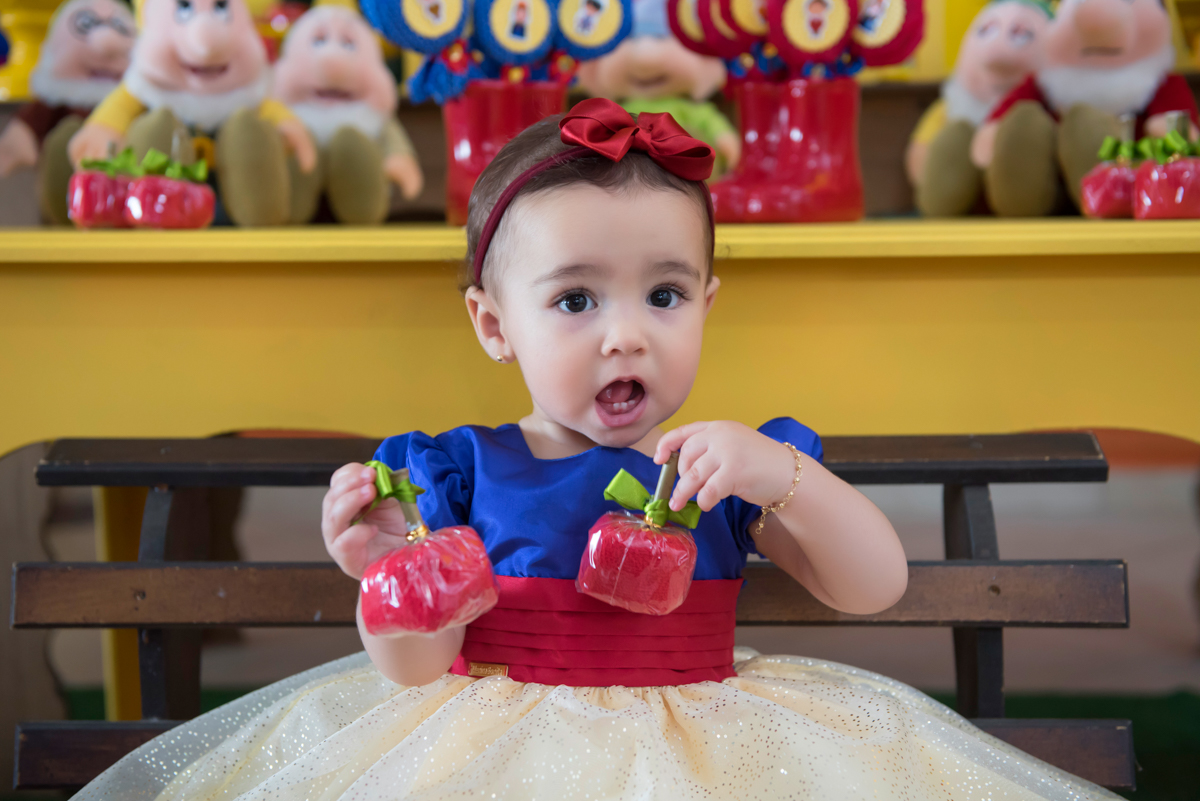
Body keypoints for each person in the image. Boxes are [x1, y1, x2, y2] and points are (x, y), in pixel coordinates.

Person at [73, 100, 1120, 801]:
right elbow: (413, 672)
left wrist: (774, 473)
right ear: (495, 325)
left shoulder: (715, 467)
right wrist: (391, 579)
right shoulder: (458, 471)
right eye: (575, 299)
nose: (627, 332)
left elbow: (874, 585)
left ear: (707, 305)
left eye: (664, 294)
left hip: (705, 740)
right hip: (485, 747)